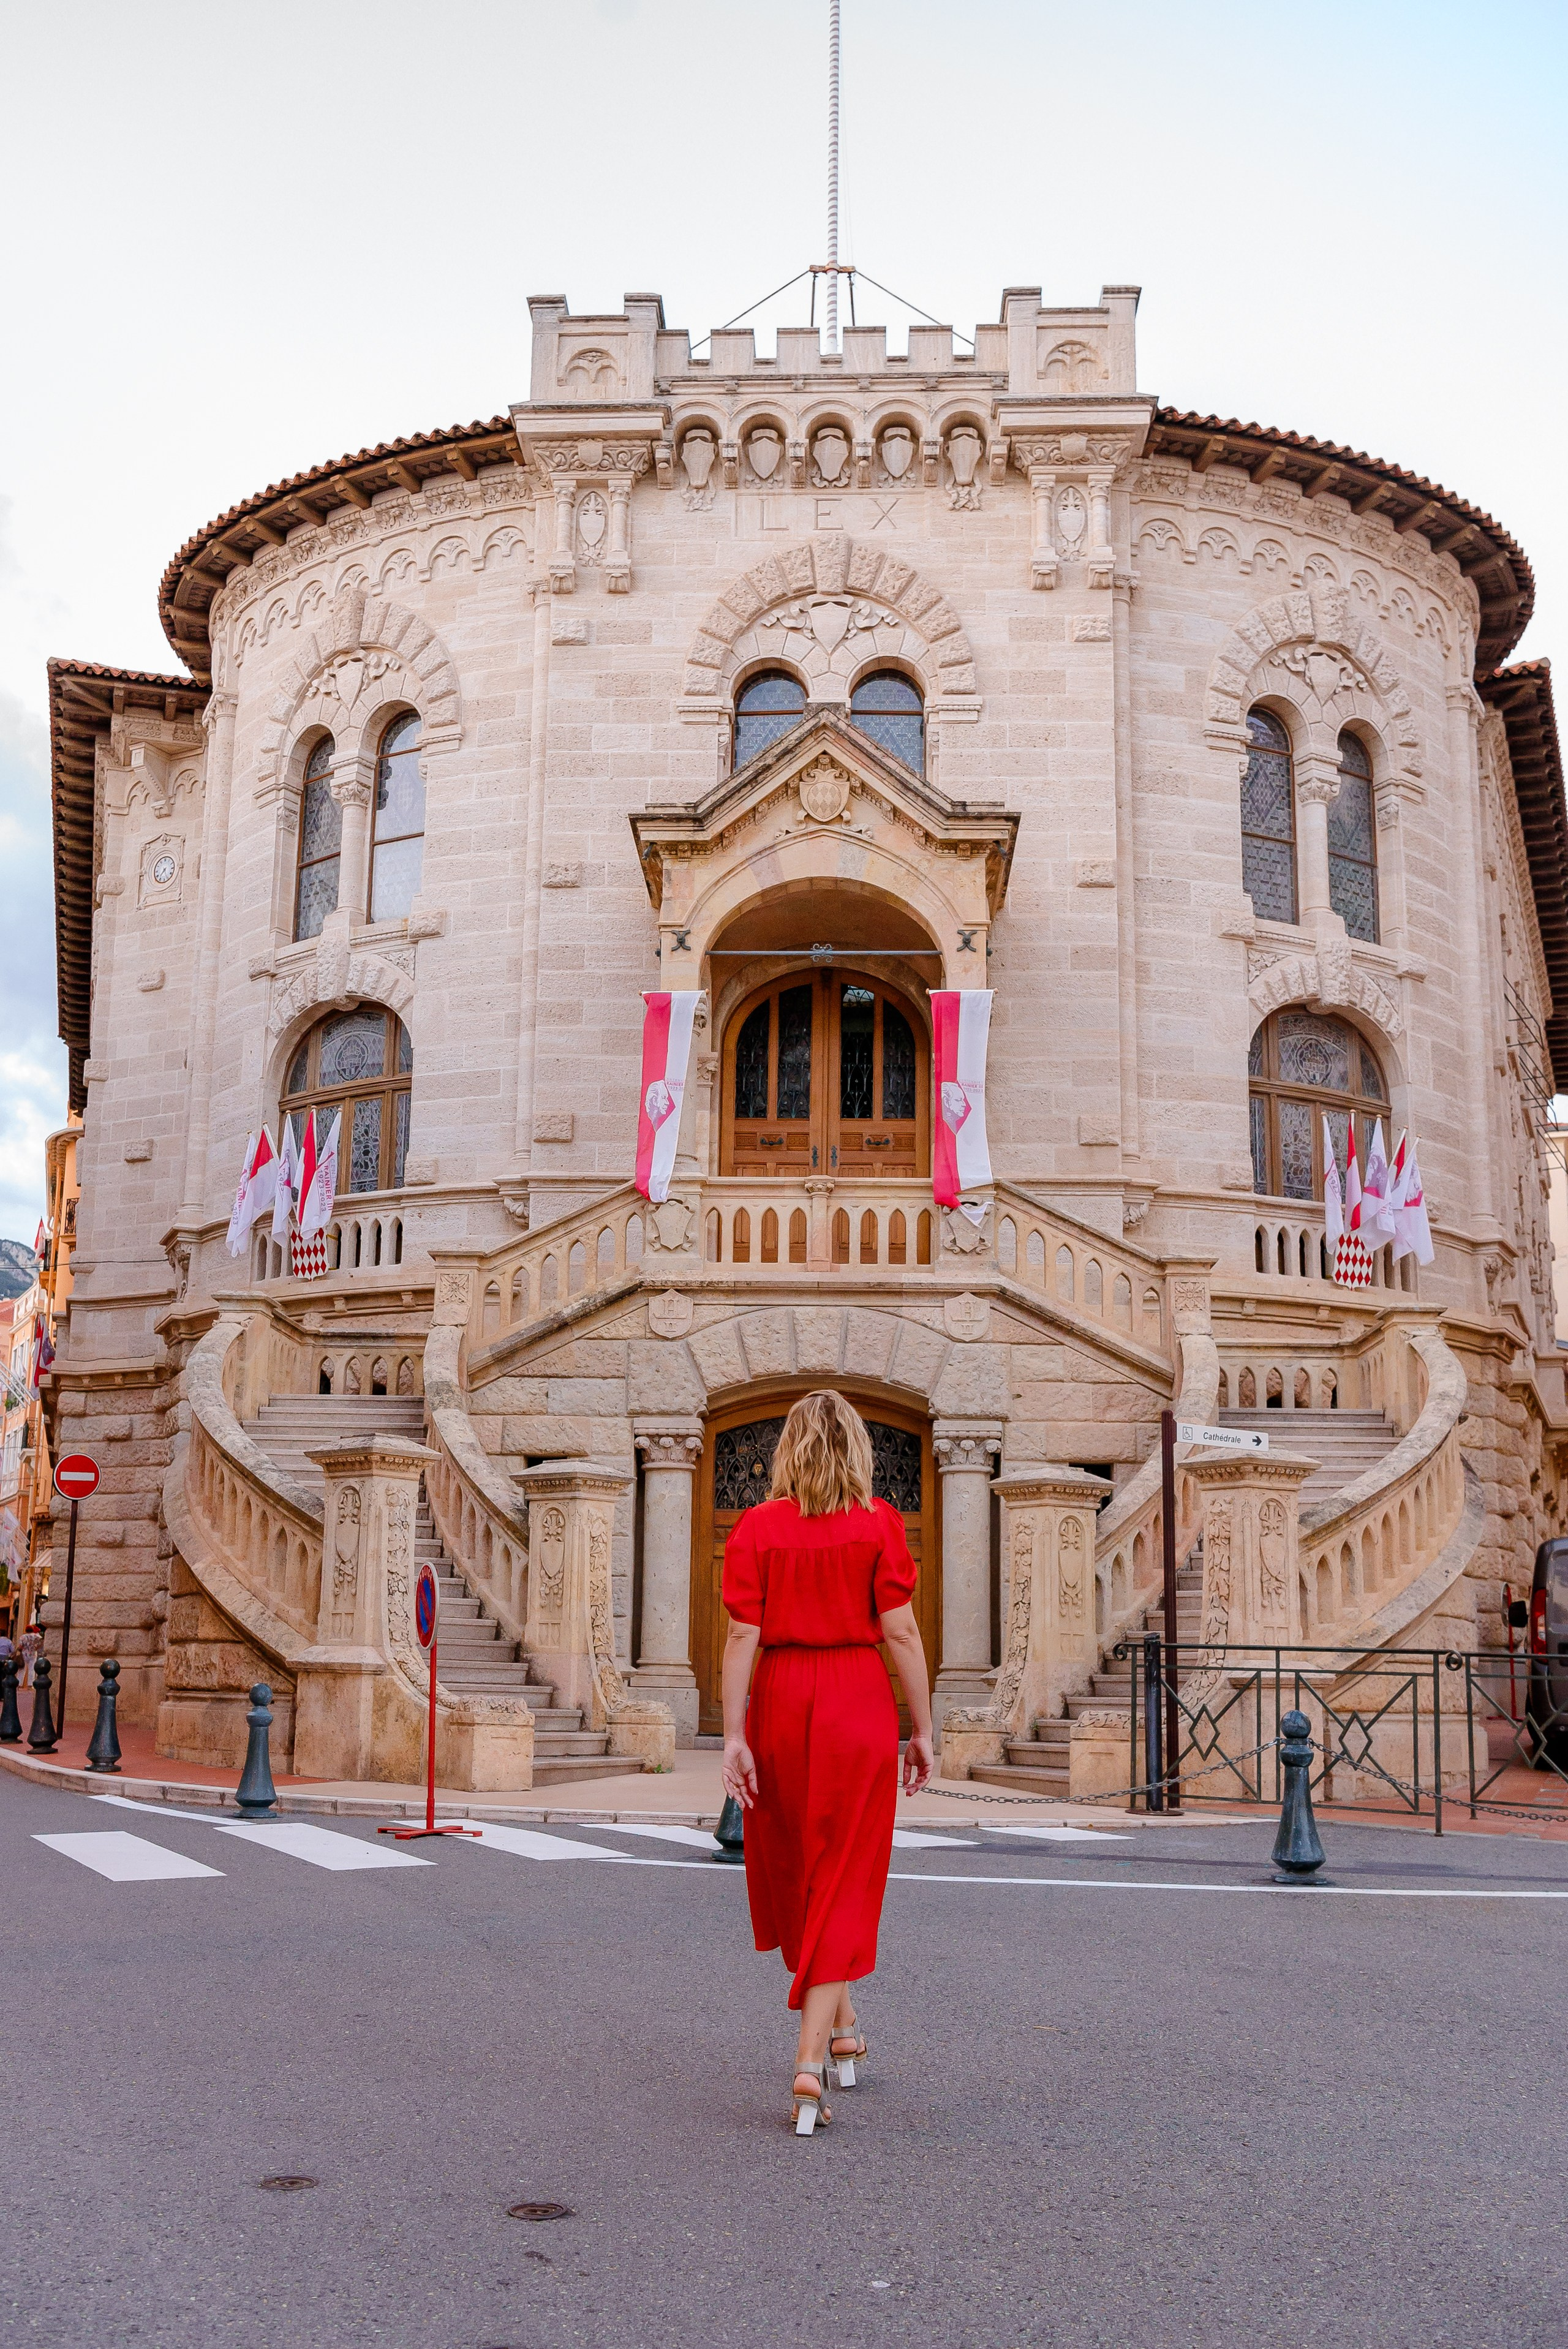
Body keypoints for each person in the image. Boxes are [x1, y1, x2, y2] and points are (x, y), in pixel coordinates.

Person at [720, 1389, 934, 2136]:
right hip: (854, 1697)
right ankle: (810, 2064)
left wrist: (732, 1733)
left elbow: (742, 1635)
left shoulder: (754, 1527)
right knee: (843, 1870)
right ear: (857, 1449)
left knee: (802, 1867)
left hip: (778, 1697)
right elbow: (901, 1633)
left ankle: (841, 2028)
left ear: (787, 1449)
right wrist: (924, 1728)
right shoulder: (877, 1522)